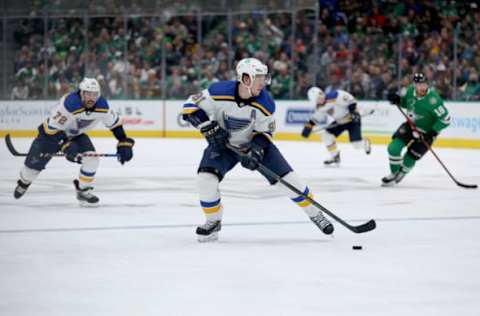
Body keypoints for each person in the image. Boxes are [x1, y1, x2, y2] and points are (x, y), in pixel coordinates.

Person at [181, 57, 334, 242]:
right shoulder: (218, 91)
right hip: (224, 146)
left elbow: (266, 132)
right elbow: (189, 106)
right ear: (245, 78)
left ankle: (315, 213)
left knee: (290, 182)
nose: (263, 82)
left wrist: (256, 149)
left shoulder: (265, 103)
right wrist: (206, 125)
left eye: (264, 77)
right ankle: (213, 221)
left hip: (254, 143)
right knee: (205, 180)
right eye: (259, 77)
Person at [13, 78, 135, 206]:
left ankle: (83, 191)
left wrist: (123, 142)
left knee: (92, 159)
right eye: (88, 94)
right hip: (51, 136)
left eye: (95, 94)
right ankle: (24, 182)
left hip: (76, 135)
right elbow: (52, 129)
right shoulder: (69, 104)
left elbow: (115, 126)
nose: (91, 98)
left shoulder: (102, 106)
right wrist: (64, 145)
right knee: (31, 170)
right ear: (81, 93)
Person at [382, 72, 450, 186]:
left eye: (424, 84)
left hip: (427, 133)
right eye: (419, 85)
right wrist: (398, 100)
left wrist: (432, 132)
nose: (422, 87)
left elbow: (445, 119)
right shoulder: (410, 91)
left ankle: (402, 172)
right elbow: (407, 104)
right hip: (410, 126)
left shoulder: (434, 100)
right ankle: (394, 173)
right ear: (414, 85)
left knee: (410, 157)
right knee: (393, 148)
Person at [301, 87, 371, 165]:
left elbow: (350, 100)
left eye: (319, 97)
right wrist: (308, 126)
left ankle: (365, 143)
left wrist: (354, 112)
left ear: (321, 93)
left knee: (356, 145)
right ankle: (335, 156)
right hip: (339, 122)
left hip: (352, 120)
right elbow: (317, 118)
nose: (319, 101)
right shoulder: (320, 107)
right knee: (326, 135)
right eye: (316, 100)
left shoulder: (334, 95)